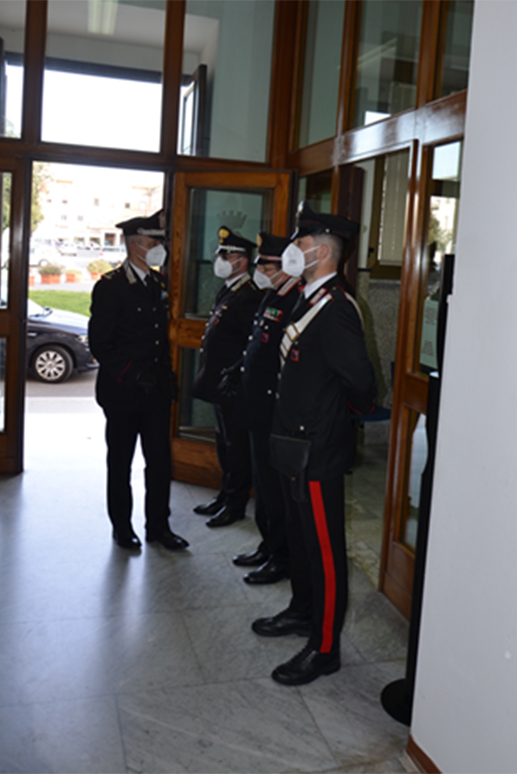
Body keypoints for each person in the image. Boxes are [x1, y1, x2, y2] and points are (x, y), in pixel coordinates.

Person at [252, 202, 377, 685]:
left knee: (324, 550)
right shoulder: (308, 297)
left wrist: (331, 421)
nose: (293, 248)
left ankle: (324, 648)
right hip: (292, 443)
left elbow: (361, 384)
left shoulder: (337, 307)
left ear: (322, 251)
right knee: (302, 539)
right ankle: (303, 611)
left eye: (300, 241)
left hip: (317, 449)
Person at [88, 210, 189, 552]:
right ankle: (122, 527)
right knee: (121, 461)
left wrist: (162, 376)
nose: (160, 248)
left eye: (160, 241)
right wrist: (134, 374)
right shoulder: (110, 287)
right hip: (123, 390)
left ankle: (159, 526)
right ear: (134, 246)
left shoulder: (159, 284)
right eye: (153, 242)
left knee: (159, 461)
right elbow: (101, 344)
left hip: (155, 390)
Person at [226, 232, 303, 584]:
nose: (260, 271)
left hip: (274, 409)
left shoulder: (296, 300)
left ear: (285, 267)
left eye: (266, 266)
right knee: (262, 483)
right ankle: (267, 544)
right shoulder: (274, 294)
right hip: (255, 406)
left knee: (275, 490)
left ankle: (281, 557)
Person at [192, 227, 262, 527]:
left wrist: (234, 375)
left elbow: (251, 345)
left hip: (234, 386)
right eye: (220, 253)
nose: (219, 259)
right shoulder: (230, 289)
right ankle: (224, 495)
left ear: (242, 260)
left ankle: (235, 504)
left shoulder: (248, 296)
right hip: (221, 384)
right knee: (223, 443)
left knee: (236, 447)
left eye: (226, 254)